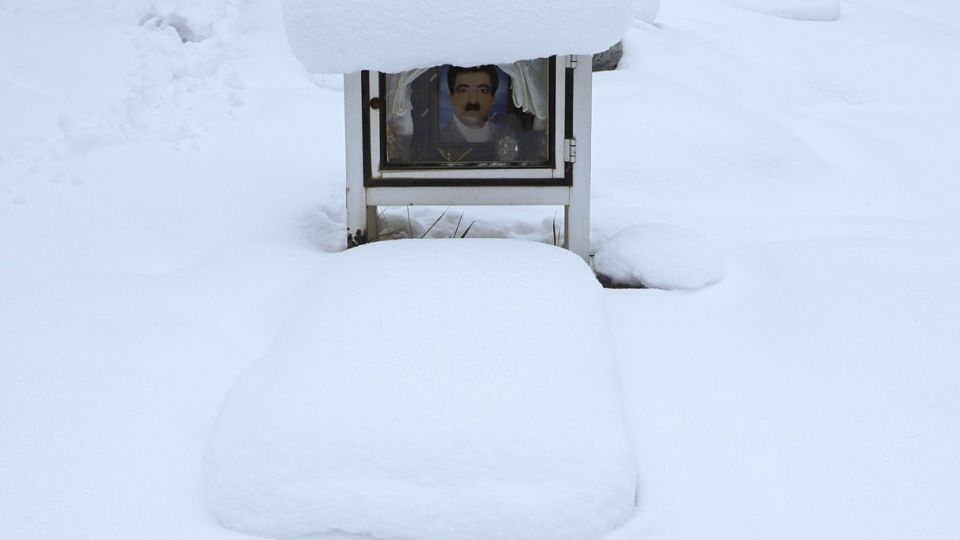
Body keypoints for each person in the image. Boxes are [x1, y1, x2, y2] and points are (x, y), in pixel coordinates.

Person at [440, 65, 516, 154]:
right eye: (463, 90)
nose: (473, 101)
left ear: (492, 99)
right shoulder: (439, 137)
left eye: (482, 90)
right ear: (451, 98)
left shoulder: (508, 137)